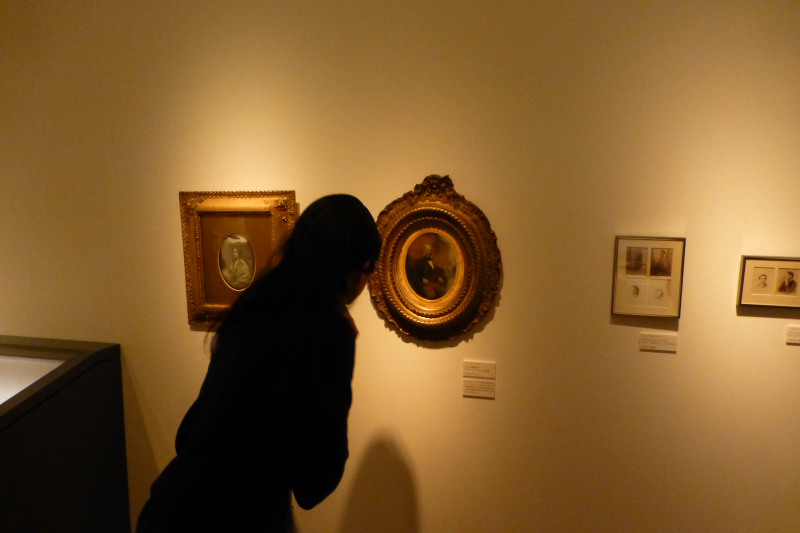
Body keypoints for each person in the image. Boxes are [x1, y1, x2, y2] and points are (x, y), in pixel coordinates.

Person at [137, 194, 382, 532]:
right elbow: (316, 480)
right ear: (358, 268)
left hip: (171, 508)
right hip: (237, 518)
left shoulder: (258, 302)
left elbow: (194, 429)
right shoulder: (327, 328)